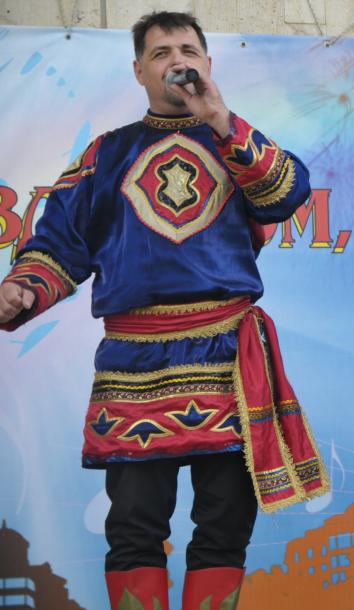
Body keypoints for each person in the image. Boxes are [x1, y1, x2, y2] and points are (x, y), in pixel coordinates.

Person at [0, 11, 329, 610]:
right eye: (161, 53)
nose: (177, 61)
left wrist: (220, 119)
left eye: (187, 51)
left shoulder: (237, 143)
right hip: (134, 363)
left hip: (225, 357)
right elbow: (58, 246)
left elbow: (287, 193)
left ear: (207, 64)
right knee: (133, 526)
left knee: (225, 525)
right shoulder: (106, 154)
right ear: (139, 71)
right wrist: (23, 289)